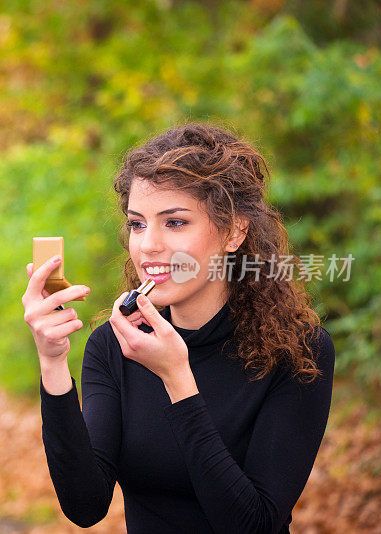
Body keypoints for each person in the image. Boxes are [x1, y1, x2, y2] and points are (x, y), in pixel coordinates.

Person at [21, 123, 335, 534]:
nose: (148, 245)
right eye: (137, 224)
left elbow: (254, 524)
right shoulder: (115, 345)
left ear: (235, 231)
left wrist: (178, 380)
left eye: (174, 223)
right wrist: (52, 362)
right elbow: (85, 505)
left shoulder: (298, 350)